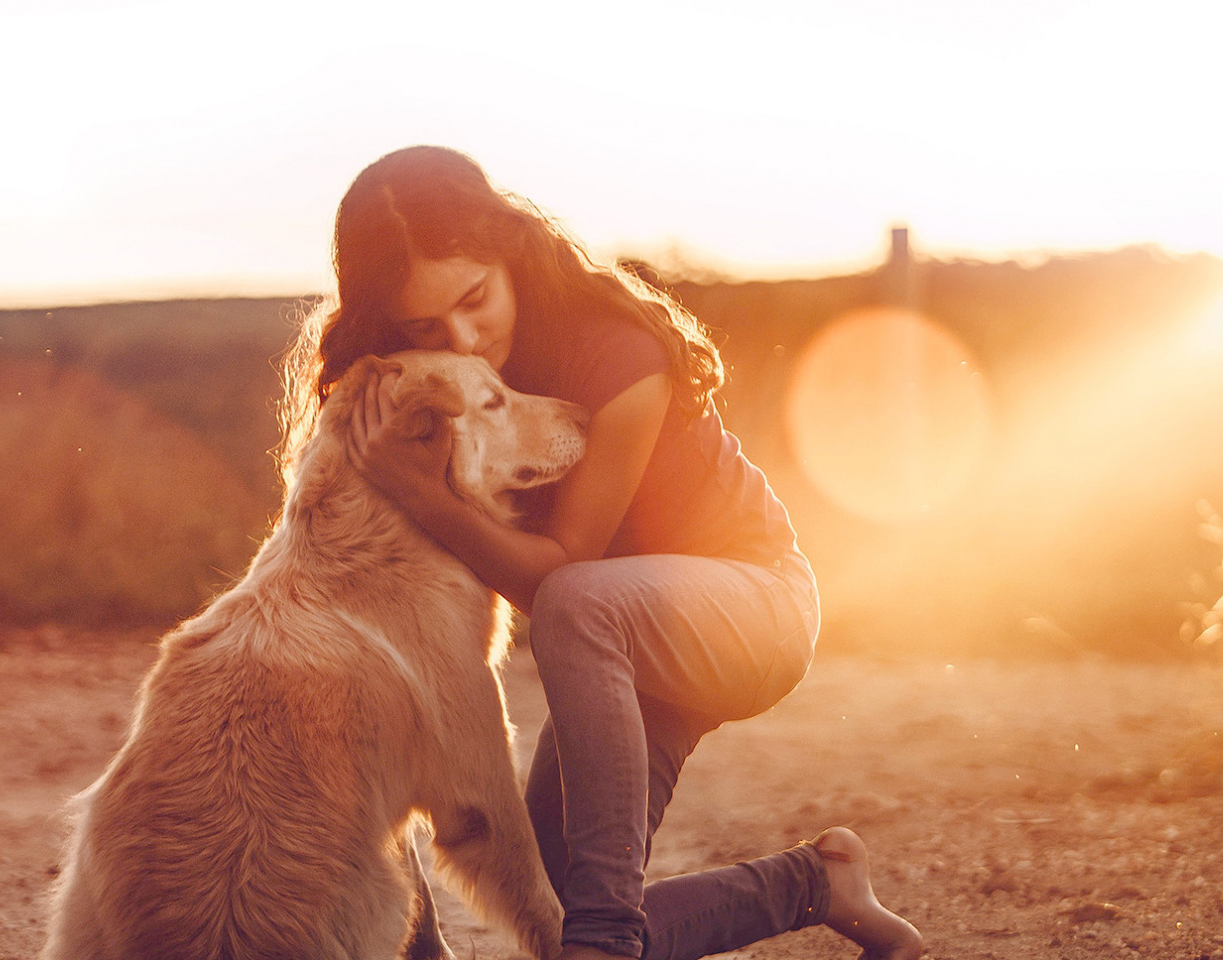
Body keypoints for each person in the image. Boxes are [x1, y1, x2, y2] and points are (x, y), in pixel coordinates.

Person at [279, 145, 924, 960]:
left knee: (582, 608)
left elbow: (564, 569)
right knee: (552, 903)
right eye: (425, 328)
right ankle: (819, 883)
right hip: (620, 642)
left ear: (508, 248)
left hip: (751, 607)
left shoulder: (616, 352)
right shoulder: (421, 386)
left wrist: (424, 498)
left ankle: (606, 947)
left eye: (475, 299)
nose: (465, 339)